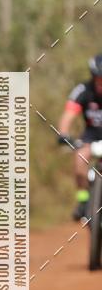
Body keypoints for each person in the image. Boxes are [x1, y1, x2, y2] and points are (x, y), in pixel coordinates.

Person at [58, 54, 102, 220]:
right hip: (90, 136)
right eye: (98, 79)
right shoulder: (83, 90)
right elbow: (68, 116)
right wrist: (63, 133)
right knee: (80, 159)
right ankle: (83, 201)